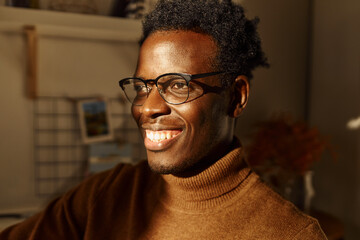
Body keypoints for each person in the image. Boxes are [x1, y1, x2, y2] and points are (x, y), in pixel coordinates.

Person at [0, 0, 327, 239]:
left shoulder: (290, 233)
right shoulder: (112, 192)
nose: (147, 107)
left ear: (236, 97)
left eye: (177, 85)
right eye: (143, 86)